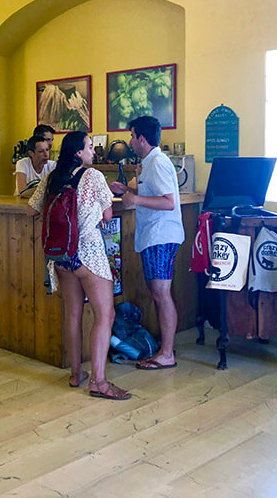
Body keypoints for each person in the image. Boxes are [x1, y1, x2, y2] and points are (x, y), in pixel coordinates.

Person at [29, 131, 130, 400]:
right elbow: (108, 214)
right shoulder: (93, 176)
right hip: (89, 254)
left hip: (61, 256)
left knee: (72, 313)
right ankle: (99, 382)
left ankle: (76, 373)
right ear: (78, 152)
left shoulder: (51, 177)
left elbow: (32, 208)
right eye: (89, 147)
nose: (93, 152)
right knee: (104, 315)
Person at [109, 116, 184, 370]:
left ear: (142, 138)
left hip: (161, 236)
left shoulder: (157, 163)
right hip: (155, 236)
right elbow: (148, 193)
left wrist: (136, 200)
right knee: (158, 293)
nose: (130, 141)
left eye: (131, 136)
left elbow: (168, 201)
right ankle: (165, 349)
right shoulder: (149, 163)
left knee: (161, 294)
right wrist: (125, 191)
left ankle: (166, 354)